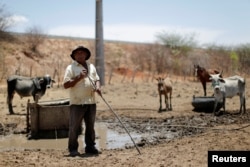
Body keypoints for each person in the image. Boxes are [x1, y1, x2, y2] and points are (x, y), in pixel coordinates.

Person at [63, 46, 102, 156]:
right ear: (74, 56)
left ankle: (90, 147)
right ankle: (73, 149)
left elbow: (97, 79)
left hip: (91, 101)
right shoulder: (70, 68)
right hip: (77, 102)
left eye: (82, 53)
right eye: (77, 53)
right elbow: (66, 85)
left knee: (90, 127)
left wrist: (98, 87)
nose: (80, 55)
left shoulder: (91, 66)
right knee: (74, 127)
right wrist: (79, 77)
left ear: (86, 55)